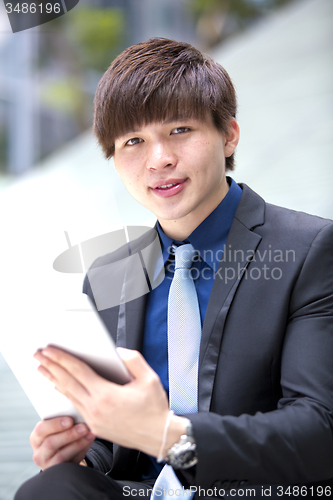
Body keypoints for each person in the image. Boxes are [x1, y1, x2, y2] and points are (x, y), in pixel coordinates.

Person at [15, 38, 333, 500]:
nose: (158, 159)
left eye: (180, 130)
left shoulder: (310, 249)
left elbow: (318, 431)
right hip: (138, 492)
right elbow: (114, 445)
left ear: (229, 135)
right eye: (133, 141)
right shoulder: (108, 276)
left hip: (253, 490)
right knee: (53, 486)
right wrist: (82, 451)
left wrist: (169, 437)